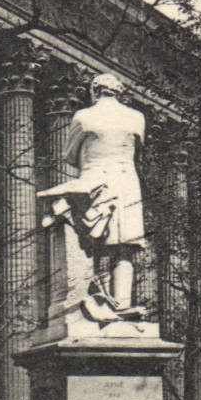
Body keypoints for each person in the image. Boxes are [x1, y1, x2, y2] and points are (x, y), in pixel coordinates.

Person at [37, 72, 147, 317]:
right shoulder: (137, 118)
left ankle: (89, 297)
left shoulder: (83, 117)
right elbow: (138, 152)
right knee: (124, 245)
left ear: (94, 91)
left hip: (94, 181)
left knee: (90, 242)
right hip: (127, 182)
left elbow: (70, 155)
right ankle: (122, 303)